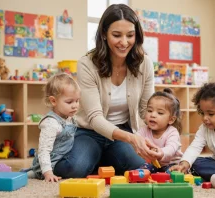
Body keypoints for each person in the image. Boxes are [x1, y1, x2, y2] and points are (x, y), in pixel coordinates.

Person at [53, 4, 157, 178]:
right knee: (75, 169)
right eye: (116, 35)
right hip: (89, 132)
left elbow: (147, 109)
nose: (124, 42)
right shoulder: (87, 64)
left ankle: (102, 159)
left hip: (123, 131)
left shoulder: (144, 63)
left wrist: (156, 138)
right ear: (104, 34)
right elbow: (95, 118)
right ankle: (93, 157)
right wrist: (131, 139)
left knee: (143, 167)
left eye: (130, 35)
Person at [21, 73, 80, 182]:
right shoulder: (51, 123)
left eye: (77, 101)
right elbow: (43, 150)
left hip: (63, 159)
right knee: (28, 175)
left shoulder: (69, 117)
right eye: (69, 102)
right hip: (50, 165)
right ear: (53, 101)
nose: (75, 105)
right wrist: (47, 173)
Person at [136, 88, 183, 173]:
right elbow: (136, 140)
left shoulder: (172, 132)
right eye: (150, 110)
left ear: (171, 120)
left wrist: (160, 152)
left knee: (172, 172)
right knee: (143, 168)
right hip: (152, 164)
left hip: (170, 163)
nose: (153, 115)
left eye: (160, 113)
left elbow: (171, 148)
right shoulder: (144, 130)